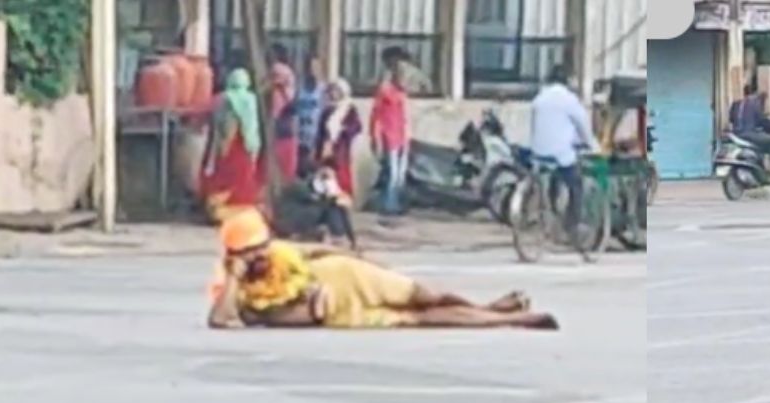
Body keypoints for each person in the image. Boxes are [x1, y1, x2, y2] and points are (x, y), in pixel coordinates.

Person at [207, 210, 558, 330]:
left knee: (428, 296)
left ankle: (488, 308)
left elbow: (315, 250)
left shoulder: (280, 251)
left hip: (352, 275)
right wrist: (235, 276)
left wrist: (360, 257)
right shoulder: (248, 299)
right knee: (426, 319)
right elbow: (221, 319)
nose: (263, 254)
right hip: (347, 312)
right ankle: (510, 321)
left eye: (262, 245)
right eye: (253, 251)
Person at [530, 64, 599, 244]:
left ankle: (551, 213)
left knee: (553, 177)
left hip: (538, 154)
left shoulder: (539, 98)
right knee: (576, 185)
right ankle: (571, 224)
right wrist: (592, 145)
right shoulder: (569, 100)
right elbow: (583, 125)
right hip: (561, 154)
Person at [199, 68, 263, 223]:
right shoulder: (251, 100)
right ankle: (244, 214)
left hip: (232, 149)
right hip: (248, 148)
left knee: (225, 182)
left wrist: (222, 148)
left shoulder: (228, 100)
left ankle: (222, 214)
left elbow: (230, 127)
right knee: (244, 182)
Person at [370, 47, 411, 216]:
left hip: (402, 136)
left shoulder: (402, 92)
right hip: (390, 135)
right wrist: (375, 136)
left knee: (400, 175)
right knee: (393, 173)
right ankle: (389, 205)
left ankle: (395, 202)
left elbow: (405, 115)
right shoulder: (385, 90)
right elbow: (376, 114)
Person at [316, 78, 362, 202]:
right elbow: (321, 131)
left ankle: (343, 199)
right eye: (331, 91)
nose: (333, 94)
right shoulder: (327, 110)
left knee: (342, 174)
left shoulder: (348, 109)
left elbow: (356, 127)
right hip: (327, 147)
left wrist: (344, 130)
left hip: (341, 147)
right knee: (327, 174)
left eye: (336, 91)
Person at [730, 82, 770, 174]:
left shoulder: (736, 104)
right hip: (749, 134)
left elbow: (731, 119)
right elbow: (761, 121)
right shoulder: (754, 104)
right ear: (755, 93)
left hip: (736, 134)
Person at [267, 43, 299, 182]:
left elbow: (271, 83)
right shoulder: (290, 71)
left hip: (278, 111)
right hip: (286, 111)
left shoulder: (278, 69)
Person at [294, 56, 326, 178]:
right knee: (300, 170)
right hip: (300, 135)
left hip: (316, 136)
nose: (312, 71)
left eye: (315, 67)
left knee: (315, 170)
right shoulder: (299, 87)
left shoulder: (323, 89)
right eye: (309, 67)